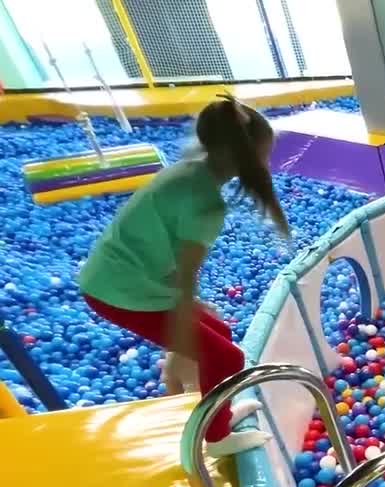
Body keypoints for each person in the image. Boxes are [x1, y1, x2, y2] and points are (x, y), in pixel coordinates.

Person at [80, 95, 285, 457]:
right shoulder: (206, 204)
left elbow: (169, 252)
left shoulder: (187, 171)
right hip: (120, 292)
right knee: (226, 359)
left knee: (218, 333)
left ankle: (217, 413)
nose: (268, 163)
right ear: (241, 155)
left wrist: (191, 314)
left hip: (121, 276)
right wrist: (179, 342)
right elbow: (188, 274)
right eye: (265, 154)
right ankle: (217, 438)